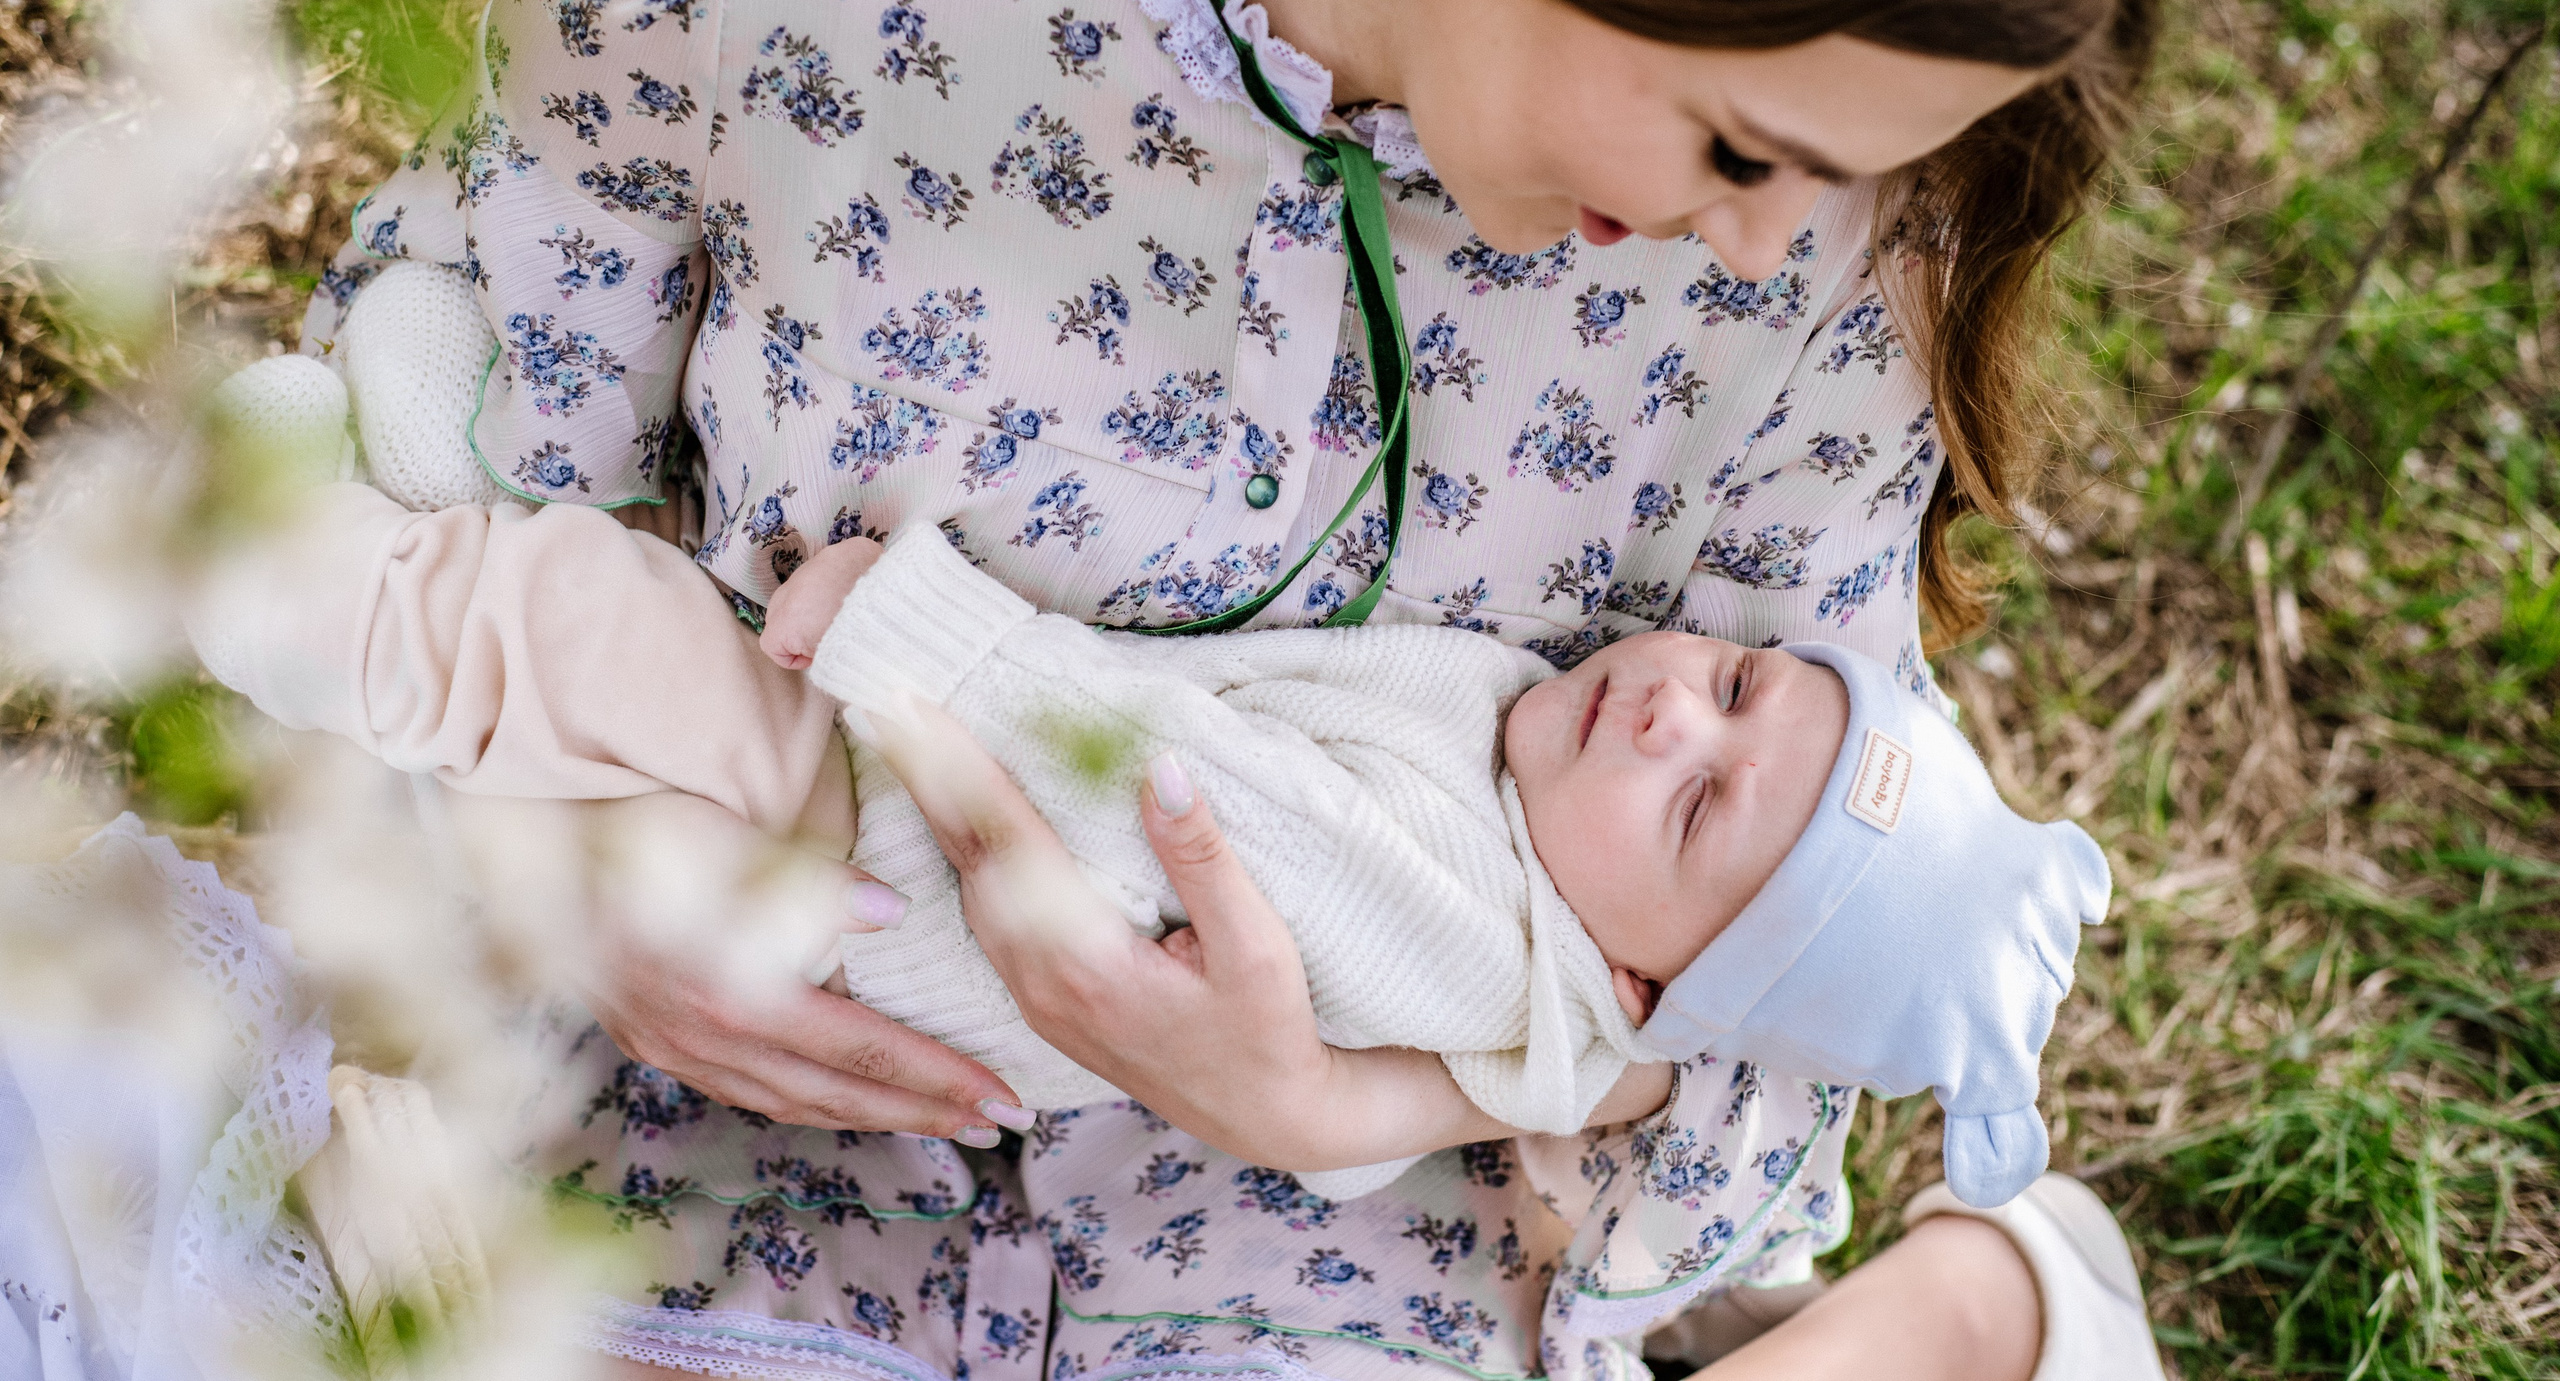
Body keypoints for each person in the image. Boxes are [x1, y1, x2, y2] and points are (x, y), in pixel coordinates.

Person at [283, 0, 2184, 1375]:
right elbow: (404, 447)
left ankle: (1973, 1304)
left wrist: (1344, 1107)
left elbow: (1791, 961)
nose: (1769, 241)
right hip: (719, 1105)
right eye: (1736, 145)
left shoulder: (1832, 266)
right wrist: (560, 862)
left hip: (1321, 1250)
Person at [195, 477, 2111, 1207]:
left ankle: (309, 592)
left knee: (590, 628)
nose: (1669, 706)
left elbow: (1185, 780)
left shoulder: (1464, 913)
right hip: (899, 876)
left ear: (1641, 977)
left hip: (905, 860)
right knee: (579, 731)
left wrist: (925, 633)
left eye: (1698, 804)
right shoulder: (1540, 823)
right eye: (1740, 683)